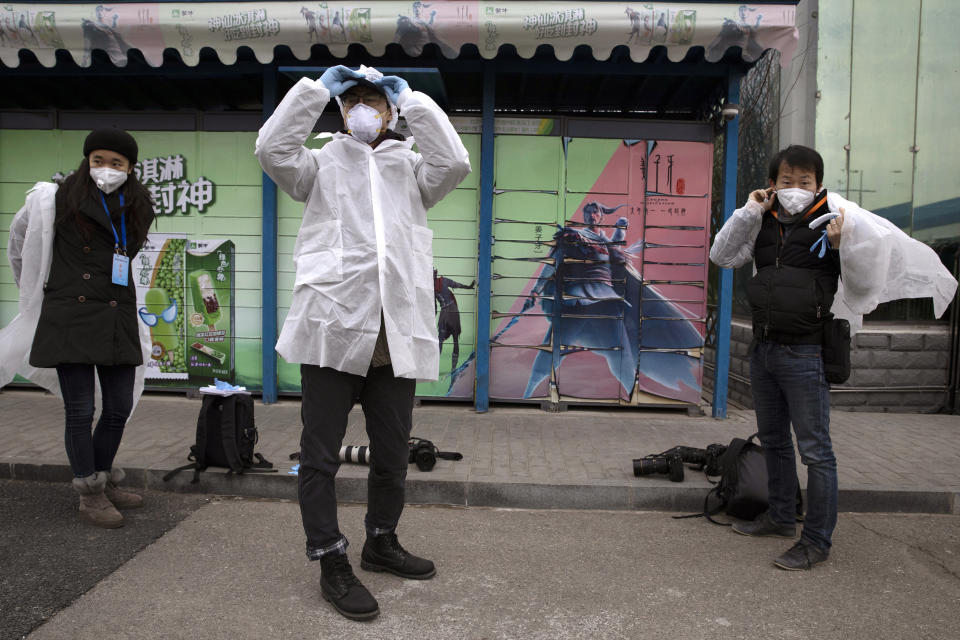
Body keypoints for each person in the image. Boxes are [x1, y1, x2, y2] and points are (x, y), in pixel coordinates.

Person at [255, 65, 470, 620]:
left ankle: (381, 541)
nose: (364, 112)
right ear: (342, 112)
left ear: (392, 111)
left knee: (393, 455)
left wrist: (415, 101)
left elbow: (456, 162)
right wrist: (315, 91)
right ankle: (330, 559)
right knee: (320, 457)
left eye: (376, 102)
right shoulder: (321, 163)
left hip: (393, 336)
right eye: (353, 103)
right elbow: (272, 149)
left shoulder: (412, 168)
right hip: (333, 331)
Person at [3, 128, 155, 528]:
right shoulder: (55, 198)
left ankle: (104, 476)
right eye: (98, 160)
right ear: (86, 161)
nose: (106, 169)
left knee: (119, 406)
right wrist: (38, 294)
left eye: (116, 163)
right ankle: (90, 494)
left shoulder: (137, 204)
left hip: (116, 314)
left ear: (130, 168)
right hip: (70, 314)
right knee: (81, 409)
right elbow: (20, 244)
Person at [710, 145, 843, 570]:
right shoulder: (763, 223)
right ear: (772, 184)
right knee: (774, 442)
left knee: (816, 452)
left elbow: (862, 278)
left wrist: (844, 245)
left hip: (806, 352)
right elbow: (722, 256)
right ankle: (781, 518)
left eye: (805, 182)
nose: (796, 189)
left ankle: (817, 541)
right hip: (764, 349)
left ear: (818, 184)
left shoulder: (835, 222)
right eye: (787, 181)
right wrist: (749, 211)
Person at [433, 268, 475, 372]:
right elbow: (456, 285)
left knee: (444, 339)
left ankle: (445, 367)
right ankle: (449, 368)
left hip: (448, 311)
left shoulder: (436, 285)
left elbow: (434, 307)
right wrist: (468, 287)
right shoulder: (440, 282)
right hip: (451, 310)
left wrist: (469, 287)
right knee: (450, 339)